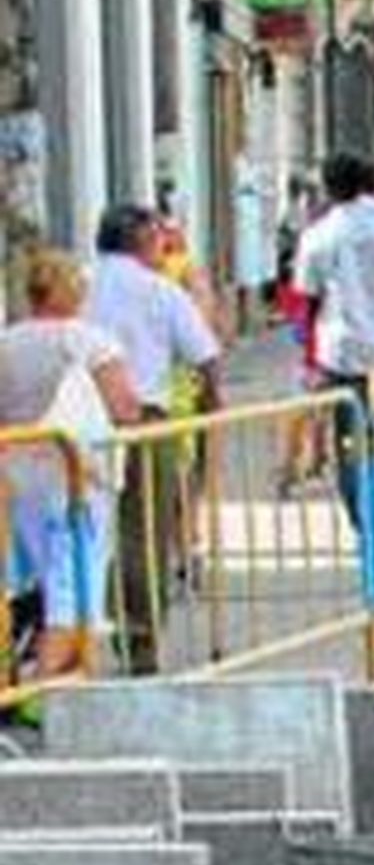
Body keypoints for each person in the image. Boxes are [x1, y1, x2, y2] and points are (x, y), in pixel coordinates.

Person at [87, 204, 223, 673]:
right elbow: (204, 354)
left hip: (74, 428)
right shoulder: (160, 291)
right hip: (144, 420)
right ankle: (140, 642)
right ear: (139, 242)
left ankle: (69, 643)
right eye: (156, 238)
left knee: (79, 531)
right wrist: (212, 405)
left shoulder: (80, 285)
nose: (162, 246)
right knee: (144, 532)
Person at [0, 250, 140, 677]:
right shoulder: (89, 340)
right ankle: (45, 688)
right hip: (77, 473)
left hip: (16, 472)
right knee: (75, 585)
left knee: (37, 578)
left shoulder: (7, 342)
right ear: (75, 292)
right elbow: (124, 406)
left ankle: (45, 679)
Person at [291, 153, 374, 530]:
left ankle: (361, 521)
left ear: (328, 189)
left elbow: (308, 301)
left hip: (338, 351)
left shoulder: (317, 236)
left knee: (347, 440)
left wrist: (308, 356)